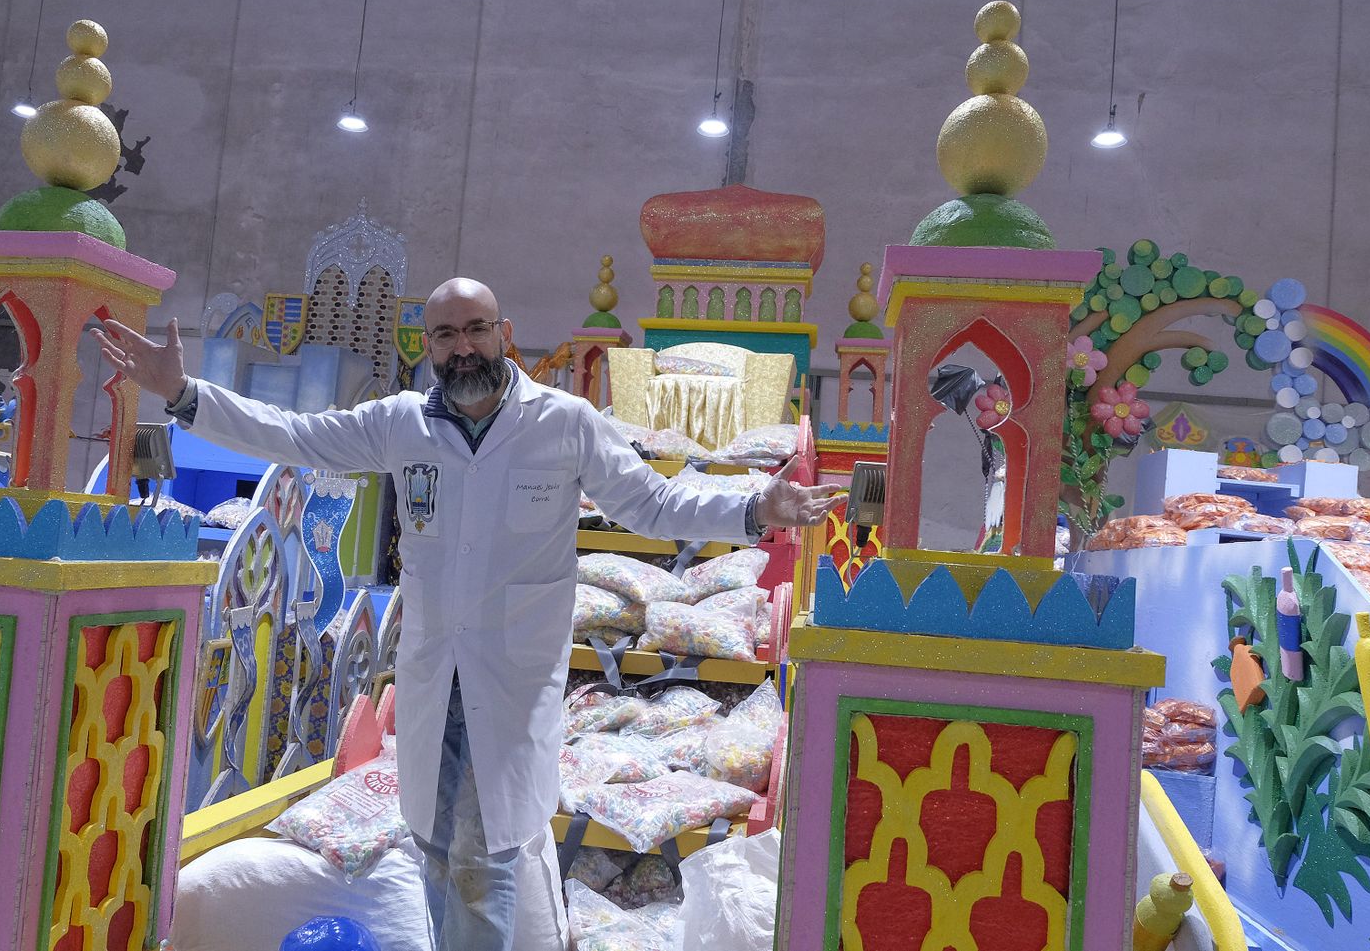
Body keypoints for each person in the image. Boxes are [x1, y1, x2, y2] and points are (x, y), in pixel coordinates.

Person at [95, 278, 844, 951]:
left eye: (476, 328)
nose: (463, 347)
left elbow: (652, 501)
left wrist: (752, 507)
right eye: (446, 334)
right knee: (433, 846)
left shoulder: (564, 422)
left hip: (511, 683)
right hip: (430, 679)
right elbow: (292, 434)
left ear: (505, 332)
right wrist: (185, 393)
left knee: (481, 861)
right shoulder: (400, 424)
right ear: (427, 346)